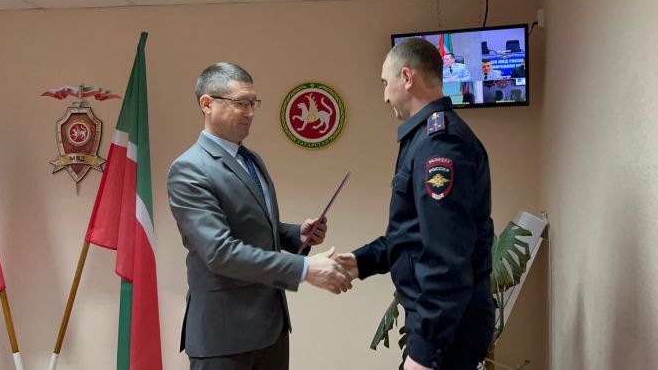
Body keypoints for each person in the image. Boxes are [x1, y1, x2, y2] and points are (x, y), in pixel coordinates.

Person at [167, 62, 353, 370]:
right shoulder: (190, 169)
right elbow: (220, 252)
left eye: (253, 103)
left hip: (270, 328)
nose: (250, 112)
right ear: (207, 104)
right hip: (223, 337)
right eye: (241, 103)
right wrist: (305, 268)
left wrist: (296, 235)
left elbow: (257, 228)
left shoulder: (250, 159)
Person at [336, 38, 495, 370]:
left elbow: (446, 256)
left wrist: (425, 351)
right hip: (442, 323)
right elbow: (414, 235)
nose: (385, 96)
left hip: (448, 331)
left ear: (407, 77)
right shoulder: (425, 138)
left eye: (385, 83)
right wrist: (360, 262)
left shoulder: (440, 144)